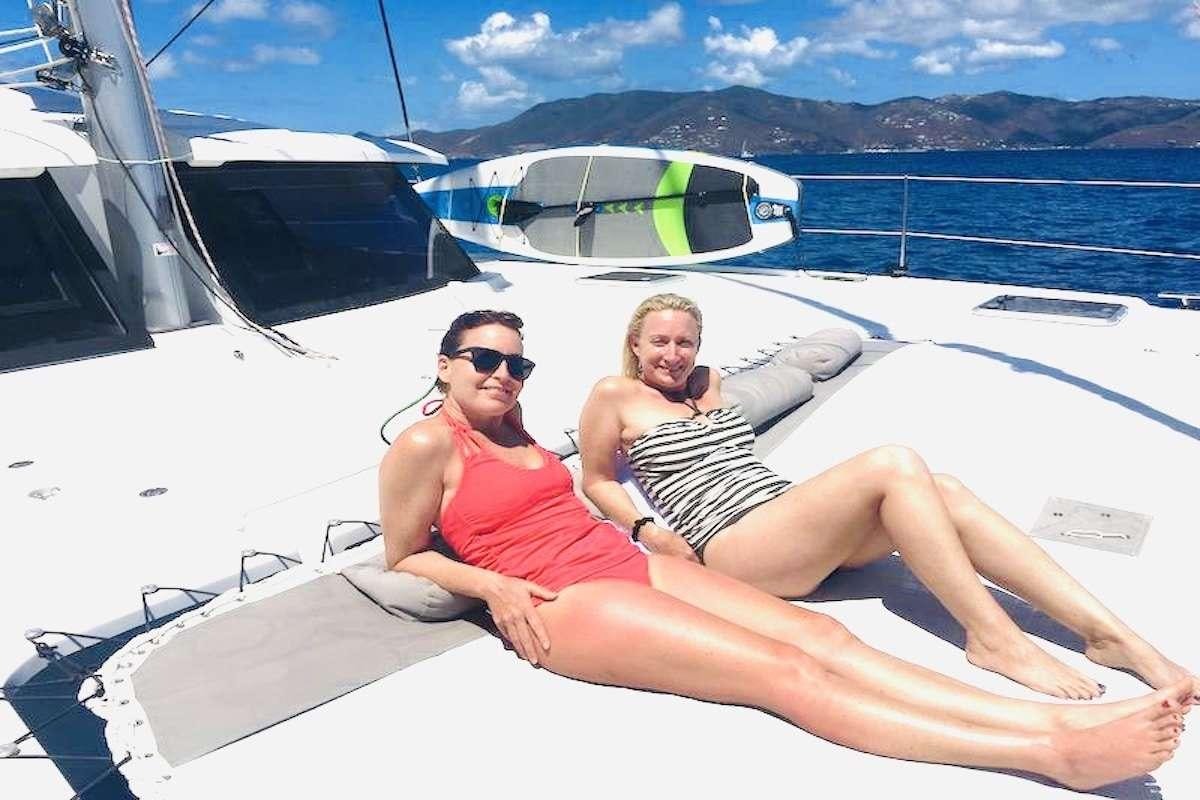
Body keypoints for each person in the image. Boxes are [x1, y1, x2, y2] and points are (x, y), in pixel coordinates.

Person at [379, 309, 1189, 792]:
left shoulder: (515, 429)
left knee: (828, 637)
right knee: (784, 674)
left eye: (516, 363)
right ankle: (1051, 752)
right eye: (484, 359)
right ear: (445, 366)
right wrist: (496, 589)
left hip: (623, 562)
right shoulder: (424, 444)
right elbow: (405, 554)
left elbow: (587, 497)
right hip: (563, 601)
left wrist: (636, 532)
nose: (503, 374)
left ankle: (1051, 710)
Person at [579, 293, 1195, 701]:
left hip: (784, 517)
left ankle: (1110, 635)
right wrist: (644, 529)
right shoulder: (613, 394)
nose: (673, 354)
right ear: (635, 344)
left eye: (685, 342)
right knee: (894, 463)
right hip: (735, 548)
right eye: (659, 342)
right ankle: (995, 640)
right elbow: (598, 477)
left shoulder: (710, 381)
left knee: (944, 490)